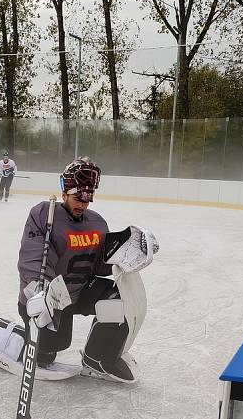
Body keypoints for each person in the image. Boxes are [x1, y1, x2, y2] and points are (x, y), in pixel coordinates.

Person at [17, 158, 159, 382]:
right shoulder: (45, 214)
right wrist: (38, 288)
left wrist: (123, 258)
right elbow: (32, 257)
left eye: (87, 199)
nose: (82, 205)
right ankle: (11, 337)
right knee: (49, 350)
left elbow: (99, 265)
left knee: (120, 297)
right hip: (47, 298)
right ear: (64, 193)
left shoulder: (97, 223)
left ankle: (98, 358)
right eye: (78, 198)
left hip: (80, 292)